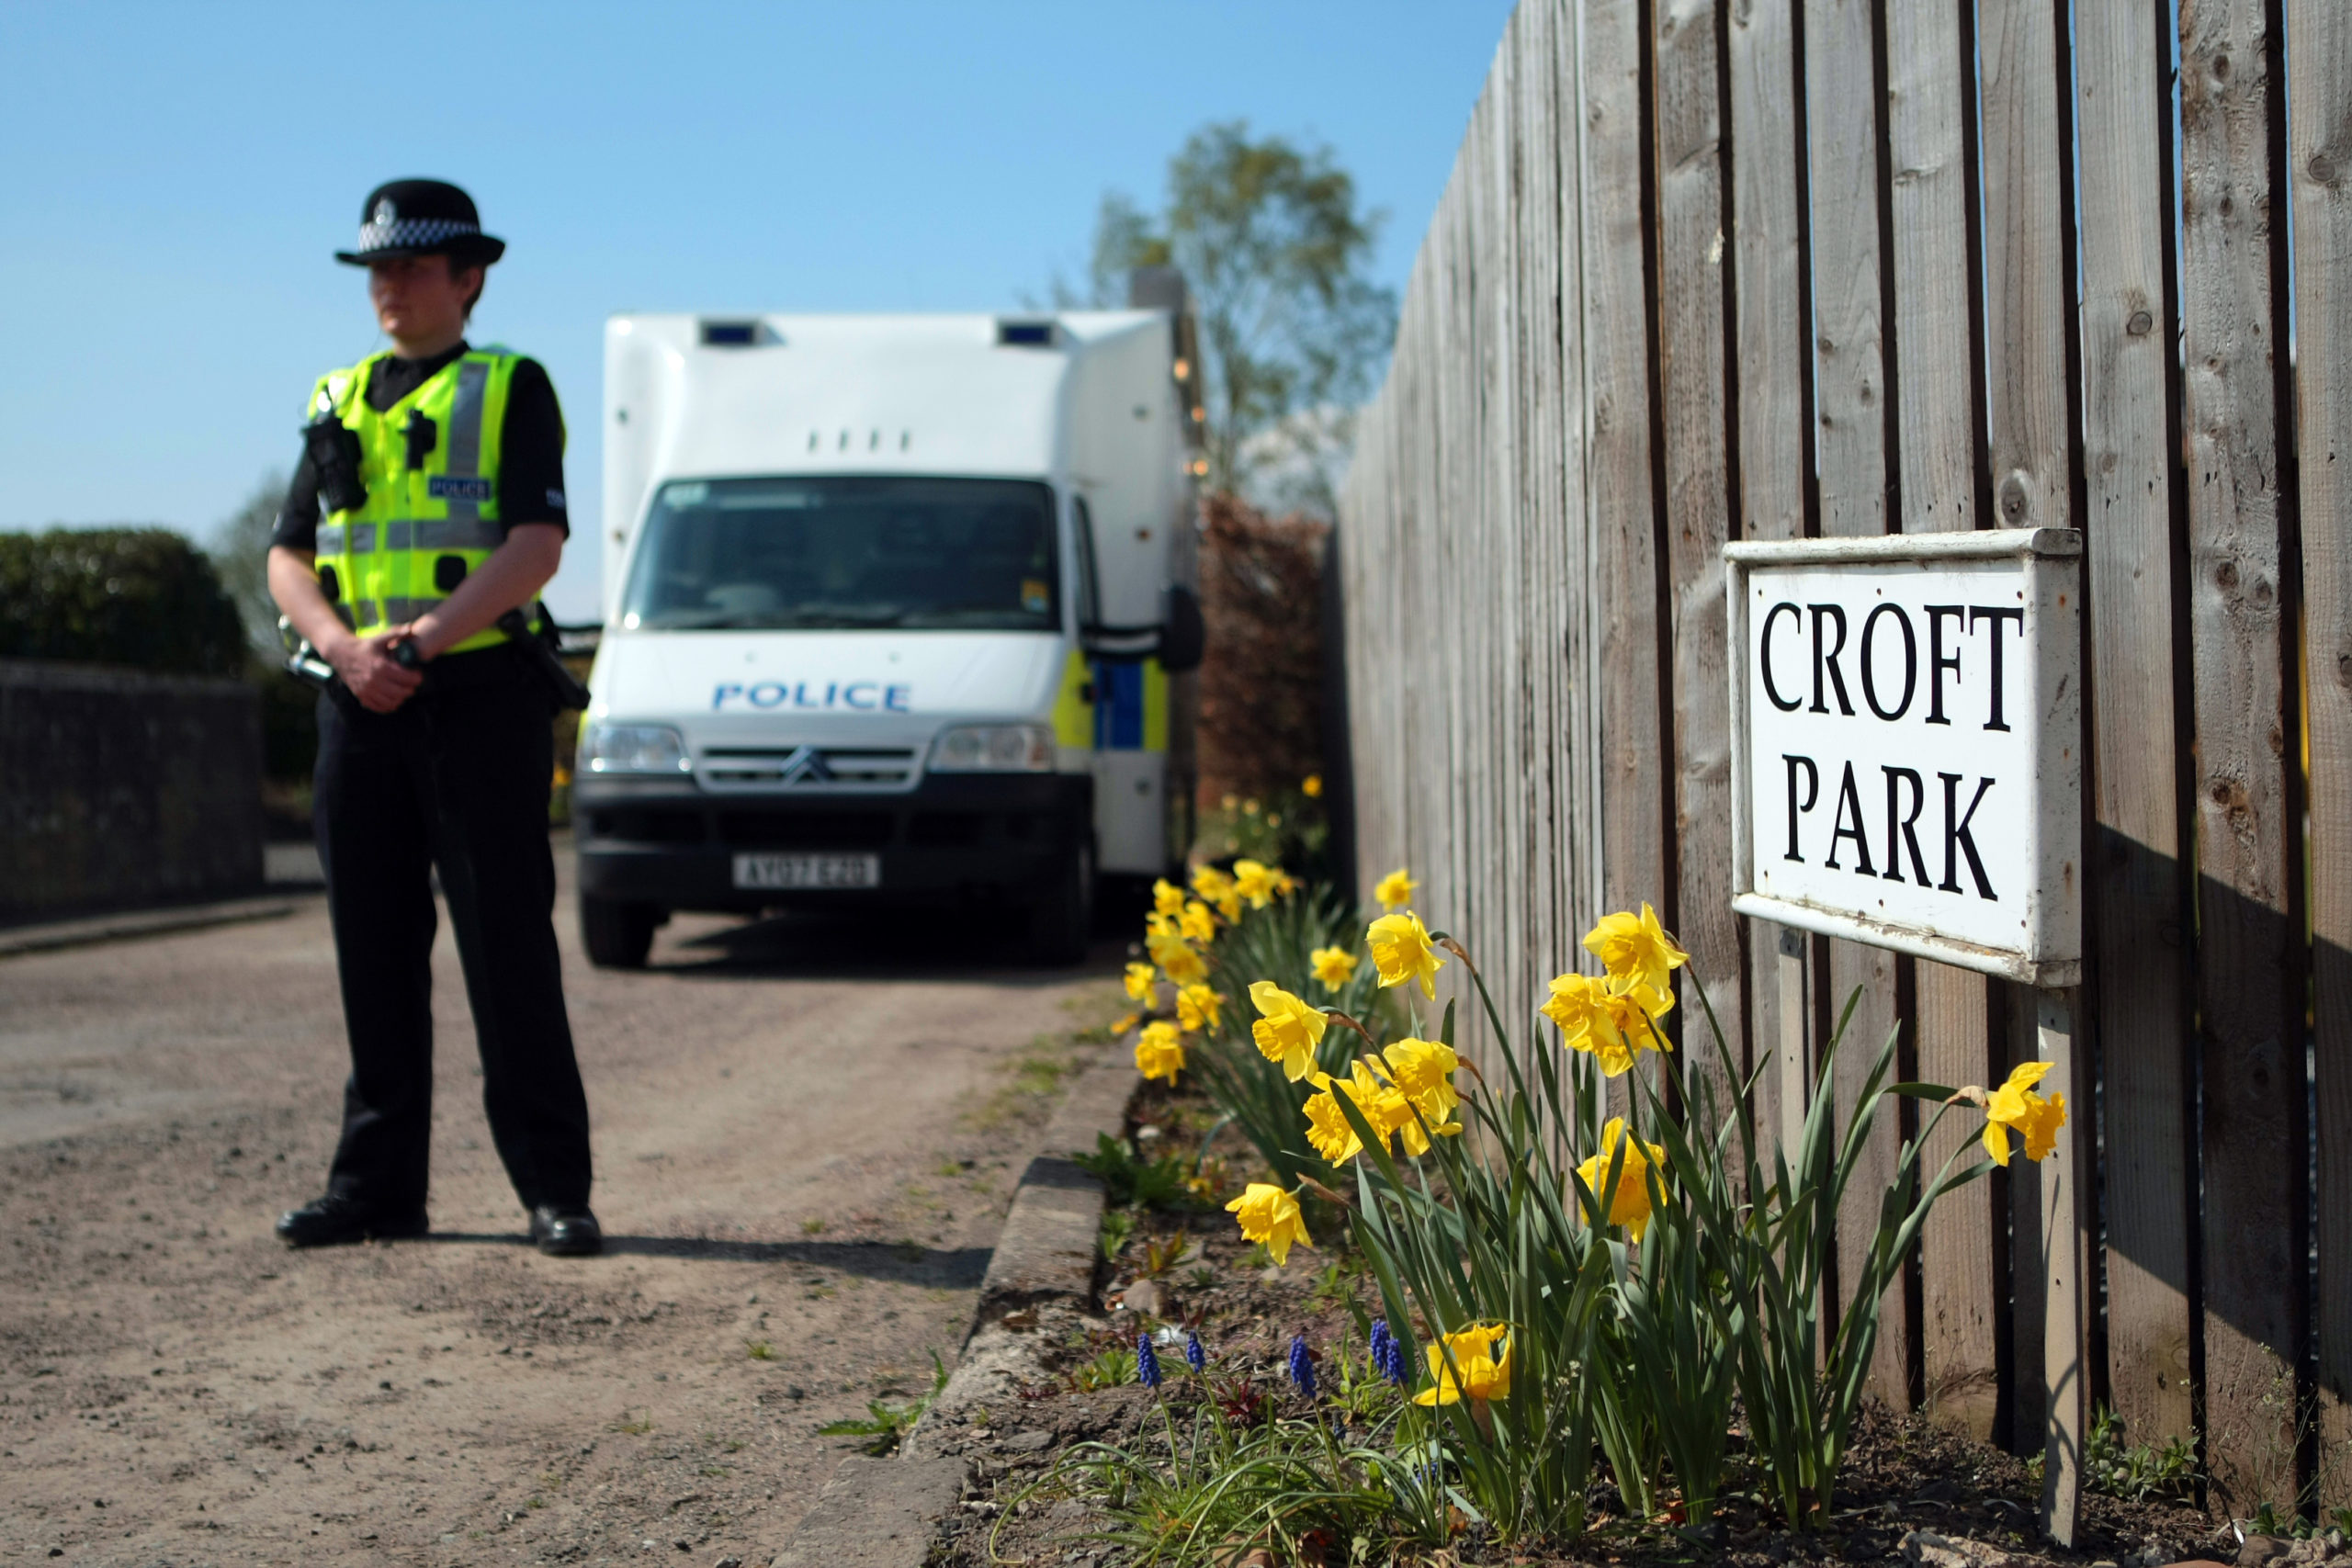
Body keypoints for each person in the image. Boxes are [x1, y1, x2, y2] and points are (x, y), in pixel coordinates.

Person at [266, 178, 600, 1257]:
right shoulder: (336, 397)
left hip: (479, 702)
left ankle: (555, 1190)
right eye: (378, 268)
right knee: (371, 950)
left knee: (507, 950)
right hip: (358, 701)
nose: (390, 286)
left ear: (470, 279)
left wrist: (423, 640)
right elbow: (288, 557)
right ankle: (375, 1192)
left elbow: (535, 547)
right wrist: (344, 648)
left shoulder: (511, 388)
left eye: (413, 266)